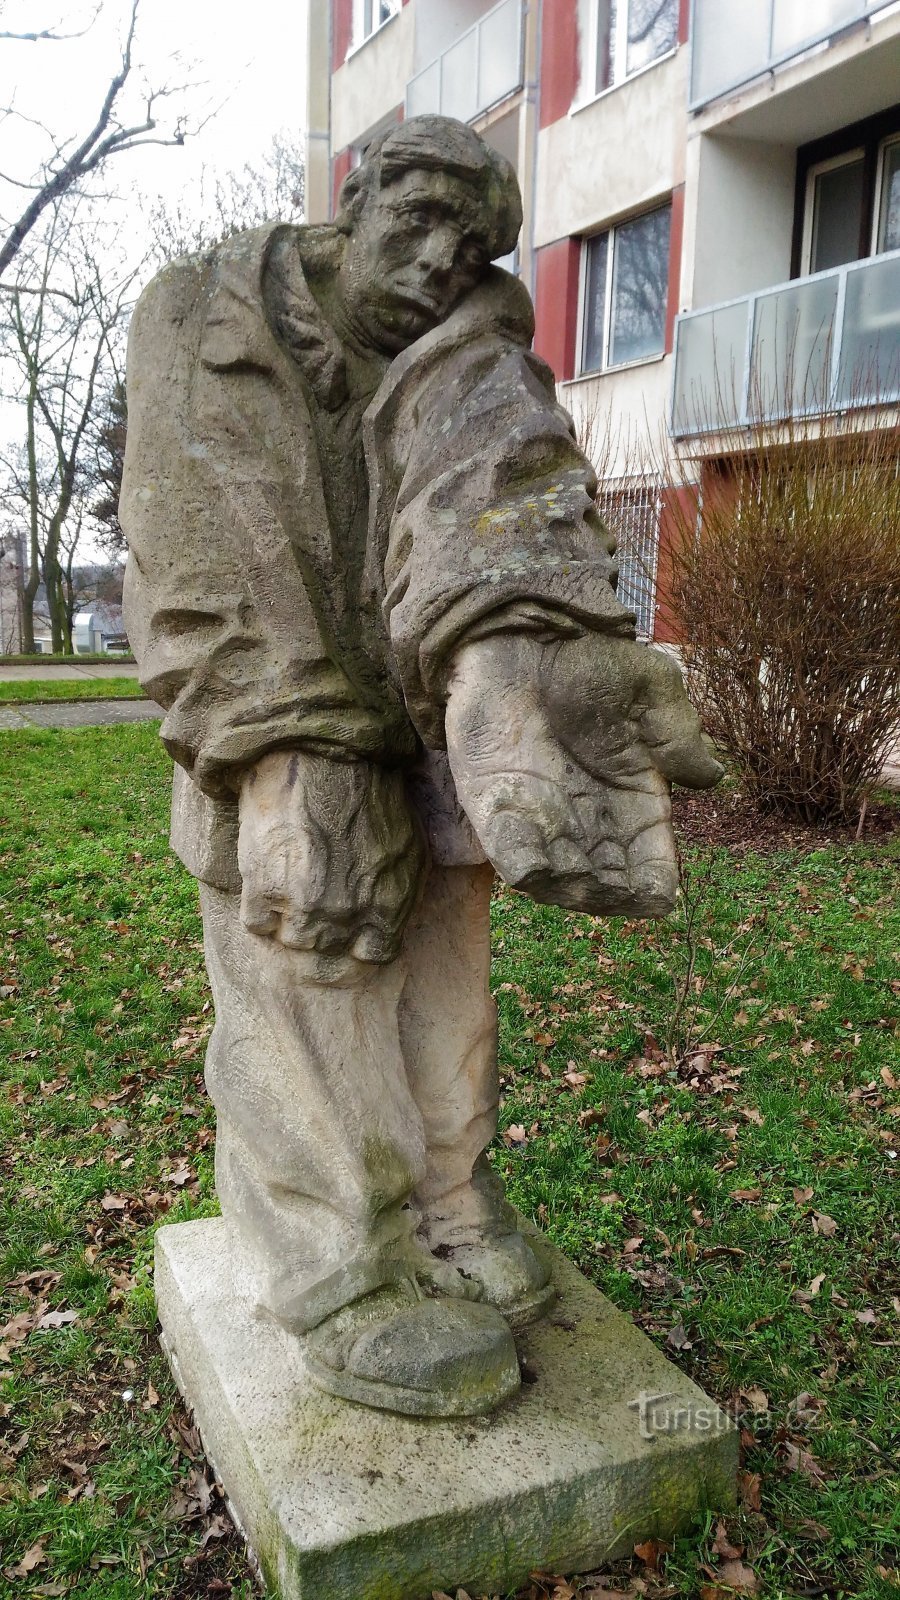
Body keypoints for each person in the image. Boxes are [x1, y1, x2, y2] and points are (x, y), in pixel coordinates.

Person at [121, 115, 719, 1418]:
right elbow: (191, 549)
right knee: (311, 947)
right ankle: (341, 1268)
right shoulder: (204, 317)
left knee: (452, 946)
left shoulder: (473, 339)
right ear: (360, 195)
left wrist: (538, 667)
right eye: (422, 216)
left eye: (475, 235)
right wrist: (290, 753)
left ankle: (449, 1194)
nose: (445, 256)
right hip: (268, 718)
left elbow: (509, 486)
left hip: (417, 713)